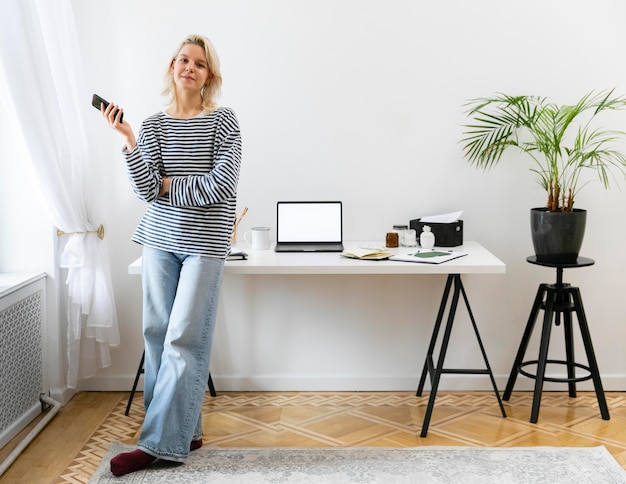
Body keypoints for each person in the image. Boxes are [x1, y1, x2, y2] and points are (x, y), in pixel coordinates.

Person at [100, 34, 242, 477]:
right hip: (160, 240)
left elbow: (221, 187)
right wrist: (128, 141)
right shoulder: (152, 126)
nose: (190, 68)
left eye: (200, 64)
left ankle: (156, 444)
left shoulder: (224, 122)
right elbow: (146, 189)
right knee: (157, 335)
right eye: (184, 60)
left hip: (206, 244)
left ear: (209, 76)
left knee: (184, 337)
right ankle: (188, 431)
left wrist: (167, 186)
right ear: (172, 67)